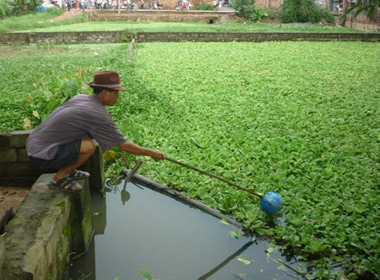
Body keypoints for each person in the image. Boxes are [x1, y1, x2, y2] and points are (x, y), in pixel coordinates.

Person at [26, 71, 164, 193]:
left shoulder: (82, 98)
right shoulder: (97, 113)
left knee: (87, 141)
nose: (118, 97)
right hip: (41, 154)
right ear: (104, 93)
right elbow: (123, 145)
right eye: (116, 93)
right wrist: (151, 152)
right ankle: (59, 178)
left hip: (36, 143)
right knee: (89, 147)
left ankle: (69, 169)